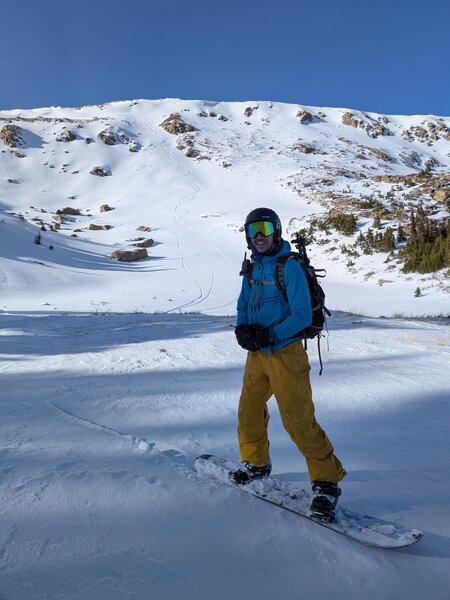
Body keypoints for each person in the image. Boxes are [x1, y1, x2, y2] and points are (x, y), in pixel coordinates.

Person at [232, 207, 346, 521]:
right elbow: (244, 301)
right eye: (253, 229)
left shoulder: (289, 266)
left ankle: (326, 483)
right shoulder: (252, 266)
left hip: (286, 354)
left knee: (298, 420)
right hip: (258, 355)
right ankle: (256, 463)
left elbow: (301, 316)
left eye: (265, 229)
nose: (259, 236)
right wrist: (243, 328)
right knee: (248, 411)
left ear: (276, 231)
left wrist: (269, 335)